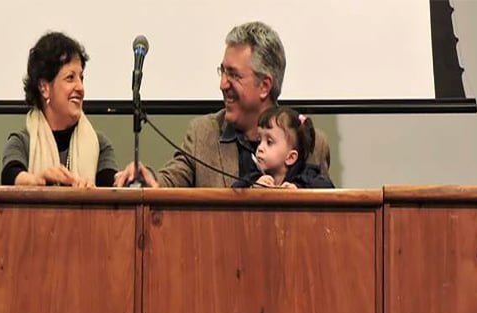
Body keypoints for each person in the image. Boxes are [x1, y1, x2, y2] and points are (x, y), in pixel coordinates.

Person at [114, 21, 331, 188]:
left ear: (265, 86)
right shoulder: (203, 134)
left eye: (234, 75)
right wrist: (146, 177)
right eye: (223, 71)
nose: (222, 84)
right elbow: (168, 182)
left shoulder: (311, 142)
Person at [1, 32, 118, 187]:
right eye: (70, 78)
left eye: (81, 78)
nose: (80, 88)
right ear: (44, 88)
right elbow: (11, 177)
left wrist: (93, 190)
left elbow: (111, 189)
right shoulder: (21, 142)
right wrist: (38, 180)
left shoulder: (99, 144)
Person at [232, 106, 333, 188]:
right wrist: (253, 187)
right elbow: (234, 190)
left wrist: (298, 188)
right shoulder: (254, 176)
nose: (260, 148)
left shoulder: (307, 176)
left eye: (269, 142)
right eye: (259, 140)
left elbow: (328, 188)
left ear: (291, 157)